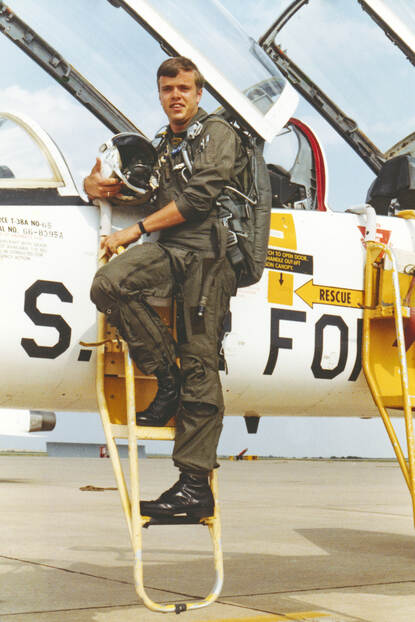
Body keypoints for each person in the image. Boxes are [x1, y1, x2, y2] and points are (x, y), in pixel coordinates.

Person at [83, 56, 248, 519]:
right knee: (110, 285)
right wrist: (95, 185)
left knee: (200, 363)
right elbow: (135, 189)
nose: (175, 96)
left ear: (198, 94)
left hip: (209, 255)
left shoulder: (217, 134)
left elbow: (197, 198)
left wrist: (134, 231)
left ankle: (194, 487)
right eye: (167, 89)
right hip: (172, 249)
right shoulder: (162, 146)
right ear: (160, 95)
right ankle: (165, 379)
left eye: (184, 88)